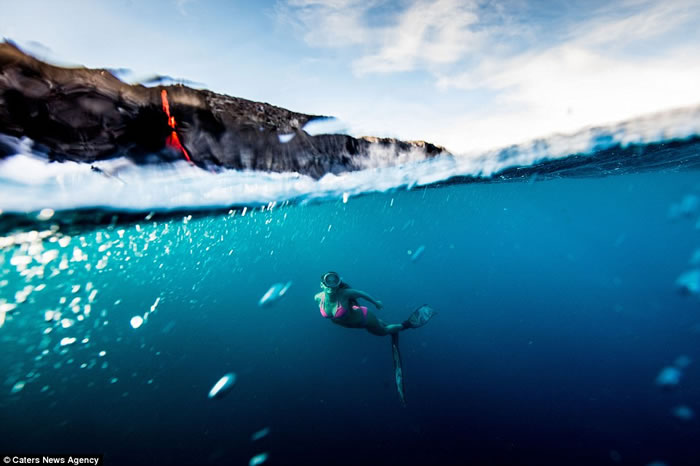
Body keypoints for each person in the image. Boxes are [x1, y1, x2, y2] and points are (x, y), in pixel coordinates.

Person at [314, 271, 435, 336]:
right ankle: (386, 325)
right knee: (380, 325)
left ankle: (407, 324)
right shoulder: (318, 298)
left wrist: (376, 303)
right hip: (354, 318)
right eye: (327, 281)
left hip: (364, 319)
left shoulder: (345, 293)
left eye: (334, 281)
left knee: (382, 332)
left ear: (338, 282)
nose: (331, 285)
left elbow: (361, 293)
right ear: (321, 284)